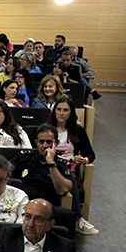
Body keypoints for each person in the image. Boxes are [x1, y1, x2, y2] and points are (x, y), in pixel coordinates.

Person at [46, 98, 98, 235]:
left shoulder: (77, 130)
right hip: (49, 164)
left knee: (69, 174)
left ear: (71, 113)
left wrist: (84, 159)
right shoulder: (47, 129)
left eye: (65, 110)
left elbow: (91, 154)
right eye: (58, 109)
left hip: (69, 166)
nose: (61, 113)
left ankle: (78, 219)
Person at [9, 124, 73, 207]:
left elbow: (62, 190)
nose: (45, 145)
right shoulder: (24, 157)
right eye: (41, 142)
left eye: (49, 142)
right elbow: (6, 174)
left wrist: (51, 162)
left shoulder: (62, 164)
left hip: (46, 206)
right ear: (36, 143)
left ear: (56, 143)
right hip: (22, 203)